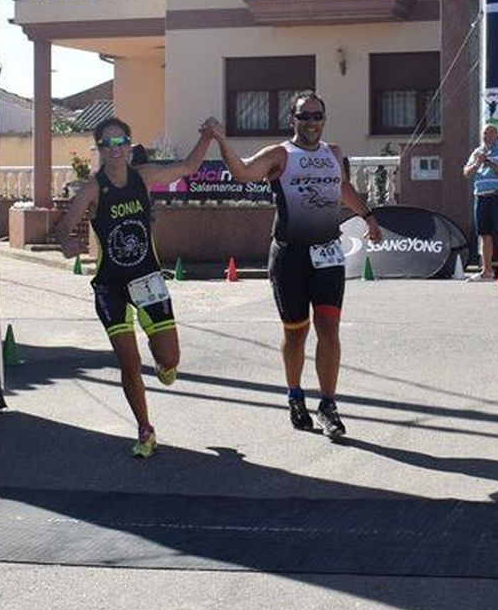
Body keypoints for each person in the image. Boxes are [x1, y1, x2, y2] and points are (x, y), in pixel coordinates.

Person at [209, 94, 381, 439]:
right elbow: (242, 173)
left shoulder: (333, 153)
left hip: (328, 254)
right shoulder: (280, 155)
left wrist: (367, 216)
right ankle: (295, 396)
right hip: (291, 257)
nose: (312, 122)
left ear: (324, 118)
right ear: (293, 119)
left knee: (329, 330)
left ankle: (328, 405)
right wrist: (221, 140)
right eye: (304, 116)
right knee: (296, 333)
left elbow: (341, 187)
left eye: (318, 115)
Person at [54, 116, 217, 457]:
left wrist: (207, 137)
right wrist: (67, 242)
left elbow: (187, 167)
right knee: (128, 362)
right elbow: (64, 225)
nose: (114, 150)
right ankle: (145, 429)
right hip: (110, 287)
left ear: (129, 146)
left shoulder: (143, 178)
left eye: (120, 142)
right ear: (99, 149)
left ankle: (164, 365)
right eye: (107, 144)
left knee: (169, 360)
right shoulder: (93, 188)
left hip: (147, 280)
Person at [462, 123, 498, 282]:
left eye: (489, 133)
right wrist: (477, 163)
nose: (486, 136)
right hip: (481, 197)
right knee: (484, 234)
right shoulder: (477, 152)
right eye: (484, 133)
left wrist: (489, 162)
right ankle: (486, 271)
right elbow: (466, 173)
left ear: (496, 135)